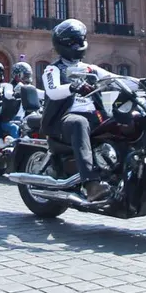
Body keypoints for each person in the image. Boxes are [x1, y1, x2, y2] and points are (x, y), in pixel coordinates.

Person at [41, 18, 112, 202]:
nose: (77, 45)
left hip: (94, 117)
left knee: (124, 121)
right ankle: (91, 184)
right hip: (64, 118)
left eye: (79, 40)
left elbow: (114, 78)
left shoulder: (90, 69)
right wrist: (72, 87)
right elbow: (53, 91)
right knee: (79, 123)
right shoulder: (53, 69)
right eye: (73, 42)